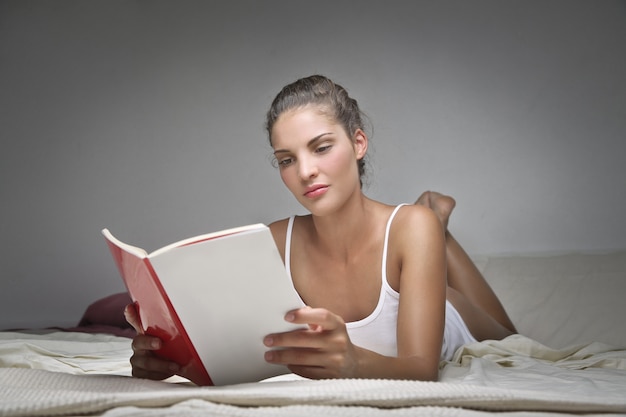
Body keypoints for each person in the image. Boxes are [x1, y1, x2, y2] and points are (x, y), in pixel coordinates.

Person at [125, 75, 517, 382]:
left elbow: (422, 370)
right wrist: (174, 360)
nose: (305, 171)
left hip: (449, 315)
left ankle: (437, 227)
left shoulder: (412, 228)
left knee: (510, 337)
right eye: (286, 160)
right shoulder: (274, 242)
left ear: (358, 142)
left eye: (322, 147)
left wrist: (353, 360)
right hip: (402, 253)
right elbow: (246, 356)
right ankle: (432, 237)